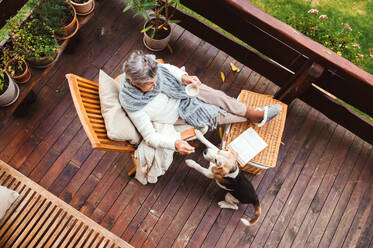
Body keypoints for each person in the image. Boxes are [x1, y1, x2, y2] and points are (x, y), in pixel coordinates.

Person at [119, 50, 281, 155]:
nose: (155, 85)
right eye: (149, 84)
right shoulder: (133, 104)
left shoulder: (150, 68)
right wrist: (174, 144)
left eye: (155, 80)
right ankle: (250, 117)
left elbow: (167, 68)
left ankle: (251, 113)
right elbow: (150, 136)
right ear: (133, 82)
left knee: (216, 95)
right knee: (211, 113)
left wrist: (183, 77)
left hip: (180, 90)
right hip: (177, 113)